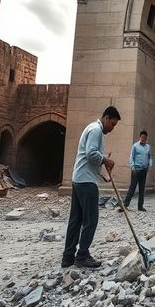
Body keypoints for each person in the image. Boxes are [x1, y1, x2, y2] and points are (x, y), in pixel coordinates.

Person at [62, 106, 120, 268]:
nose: (112, 128)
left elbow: (90, 155)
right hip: (86, 182)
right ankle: (82, 255)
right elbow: (91, 153)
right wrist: (106, 160)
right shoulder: (96, 130)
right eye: (112, 124)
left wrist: (102, 163)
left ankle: (68, 256)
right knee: (91, 219)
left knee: (76, 219)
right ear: (106, 118)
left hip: (79, 179)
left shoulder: (92, 128)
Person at [124, 130, 151, 211]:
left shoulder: (148, 147)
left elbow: (150, 157)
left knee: (142, 189)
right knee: (132, 188)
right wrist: (132, 167)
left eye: (144, 138)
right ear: (140, 137)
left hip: (144, 170)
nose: (143, 139)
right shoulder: (135, 146)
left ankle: (140, 206)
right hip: (136, 170)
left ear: (146, 138)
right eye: (142, 137)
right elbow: (131, 157)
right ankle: (125, 205)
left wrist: (149, 165)